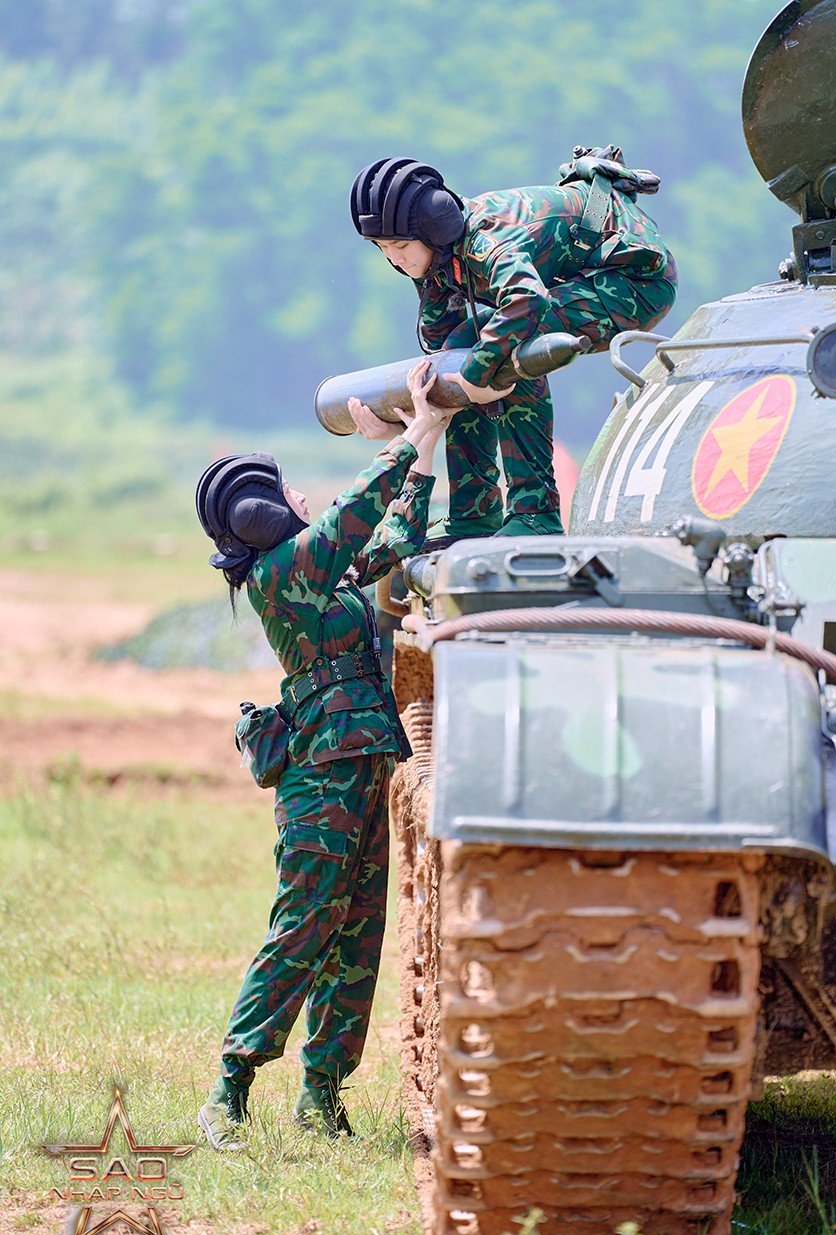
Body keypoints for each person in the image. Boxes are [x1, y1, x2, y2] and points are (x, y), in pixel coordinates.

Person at [195, 361, 453, 1150]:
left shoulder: (318, 576)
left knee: (356, 935)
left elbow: (393, 535)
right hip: (320, 779)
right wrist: (405, 435)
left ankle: (321, 1093)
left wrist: (427, 438)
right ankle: (228, 1091)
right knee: (303, 926)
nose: (305, 498)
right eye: (291, 495)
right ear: (270, 515)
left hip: (361, 765)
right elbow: (351, 513)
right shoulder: (286, 573)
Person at [350, 151, 678, 539]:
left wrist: (475, 373)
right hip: (589, 275)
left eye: (400, 247)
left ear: (433, 232)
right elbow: (442, 365)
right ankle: (474, 514)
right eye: (382, 248)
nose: (394, 259)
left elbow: (527, 300)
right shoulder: (434, 264)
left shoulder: (484, 241)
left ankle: (536, 513)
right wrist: (405, 421)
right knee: (462, 361)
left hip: (636, 278)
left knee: (505, 353)